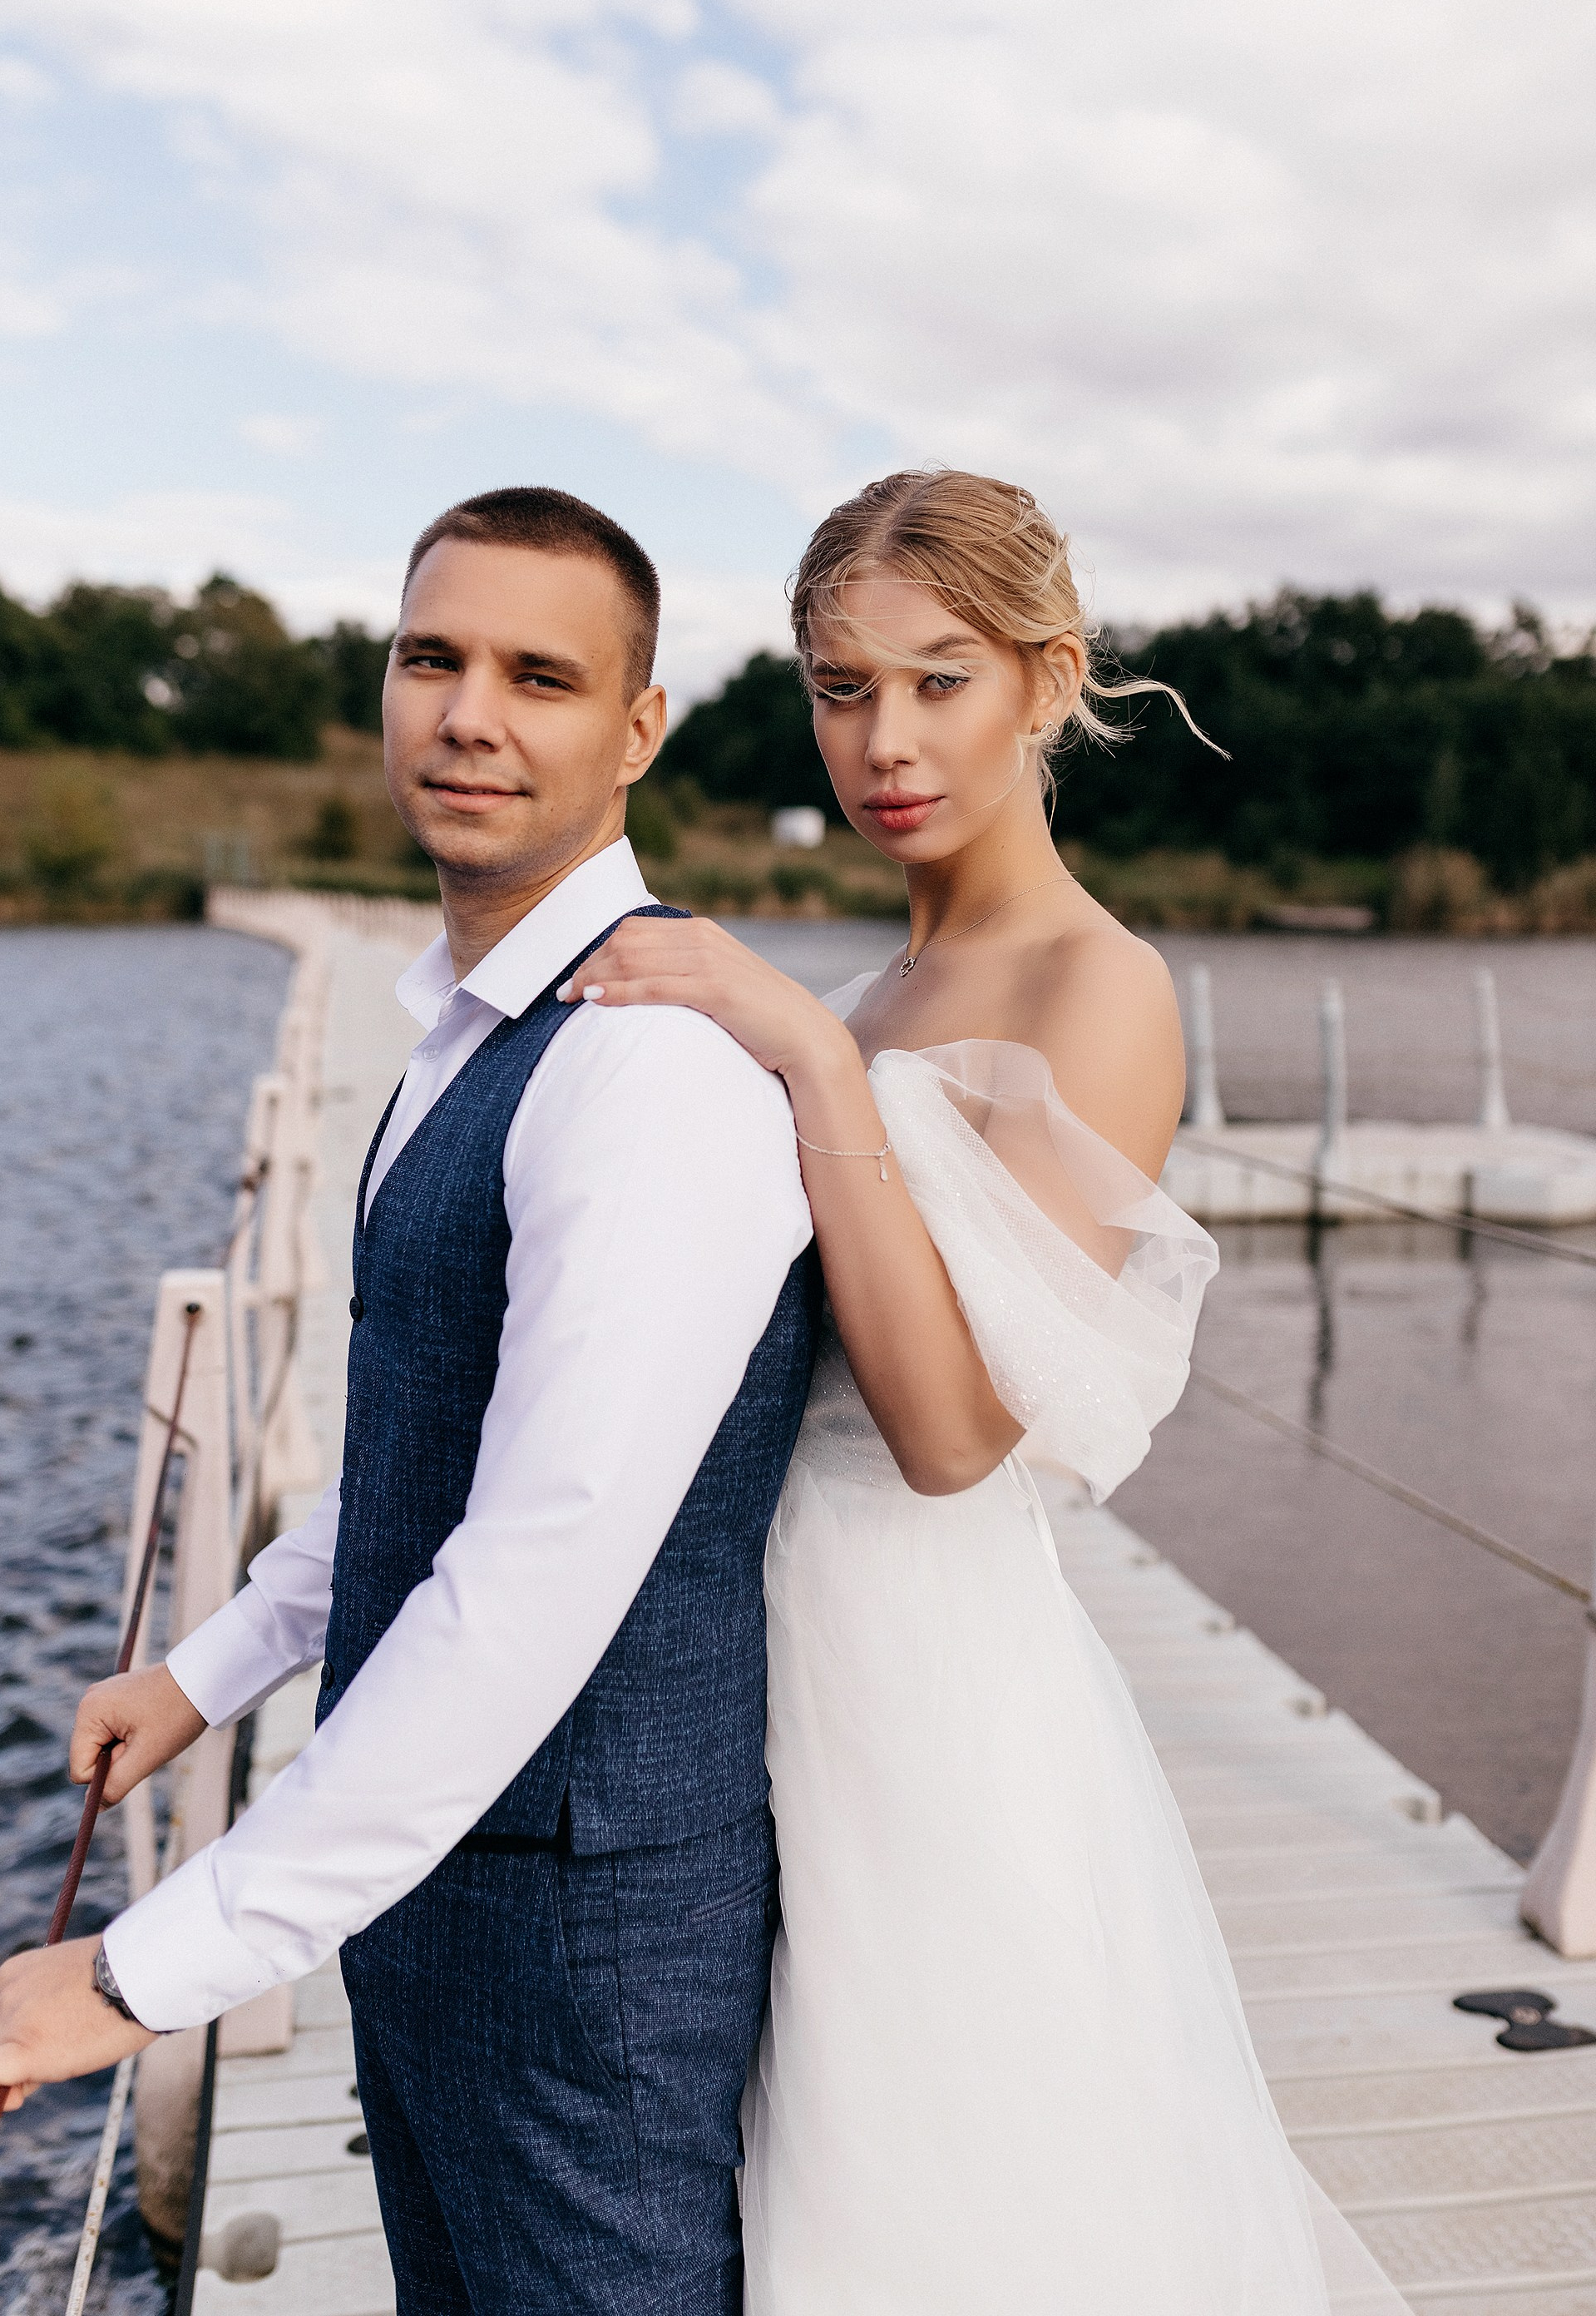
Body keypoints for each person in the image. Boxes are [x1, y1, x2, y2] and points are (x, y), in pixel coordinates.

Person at [0, 487, 822, 2314]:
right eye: (431, 656)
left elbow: (535, 1571)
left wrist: (138, 1972)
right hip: (436, 1879)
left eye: (540, 675)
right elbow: (435, 1457)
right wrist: (211, 1673)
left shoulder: (646, 1075)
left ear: (638, 729)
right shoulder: (470, 1024)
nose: (469, 713)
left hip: (579, 1930)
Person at [574, 468, 1414, 2313]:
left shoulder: (1093, 988)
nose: (882, 739)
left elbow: (956, 1434)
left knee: (960, 2196)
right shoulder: (878, 990)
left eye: (937, 680)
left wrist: (790, 1049)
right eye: (839, 683)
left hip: (934, 1678)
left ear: (1047, 681)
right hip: (774, 1650)